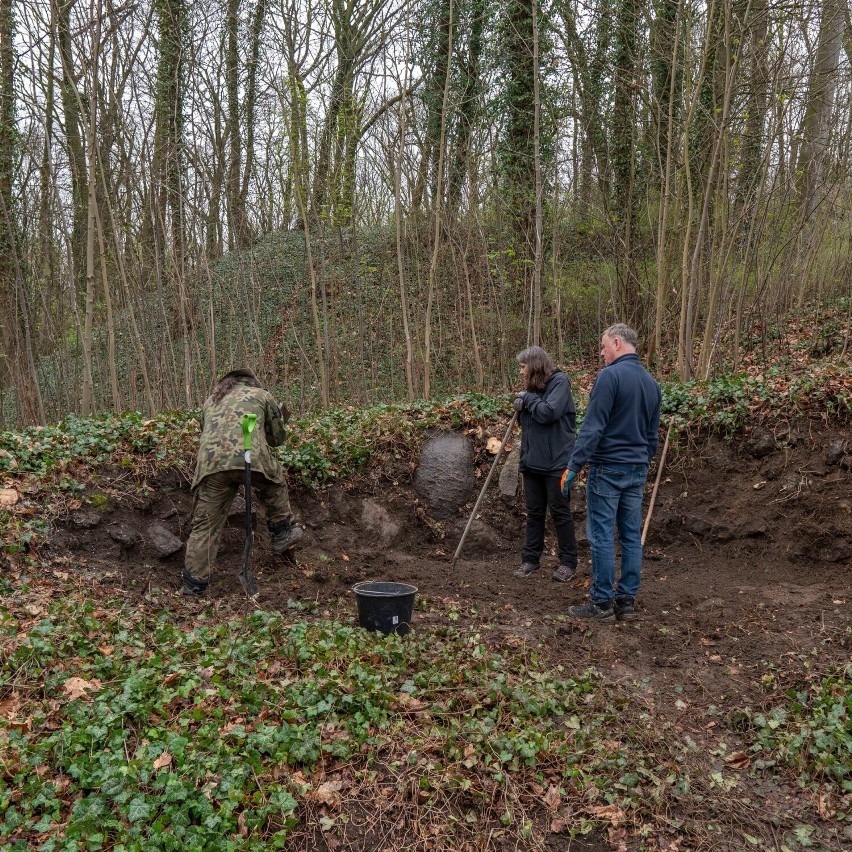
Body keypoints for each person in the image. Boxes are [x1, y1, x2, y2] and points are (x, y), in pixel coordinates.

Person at [561, 324, 661, 622]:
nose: (602, 353)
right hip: (637, 469)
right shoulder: (651, 383)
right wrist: (642, 460)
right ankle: (626, 602)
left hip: (608, 469)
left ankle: (602, 602)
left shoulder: (610, 377)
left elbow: (593, 428)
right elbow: (652, 436)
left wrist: (573, 466)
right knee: (631, 535)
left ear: (617, 343)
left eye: (604, 347)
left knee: (602, 534)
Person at [182, 368, 303, 597]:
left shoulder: (210, 401)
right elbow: (276, 439)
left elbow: (207, 431)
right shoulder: (261, 395)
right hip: (251, 458)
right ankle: (281, 532)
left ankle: (193, 586)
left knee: (205, 527)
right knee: (274, 482)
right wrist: (278, 420)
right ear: (250, 382)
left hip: (211, 467)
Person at [512, 346, 579, 582]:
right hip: (532, 462)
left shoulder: (560, 383)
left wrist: (527, 399)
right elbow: (529, 423)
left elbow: (548, 413)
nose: (520, 372)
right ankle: (531, 559)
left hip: (556, 463)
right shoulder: (533, 388)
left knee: (560, 512)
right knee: (534, 513)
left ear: (535, 365)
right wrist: (521, 406)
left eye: (522, 367)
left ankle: (568, 562)